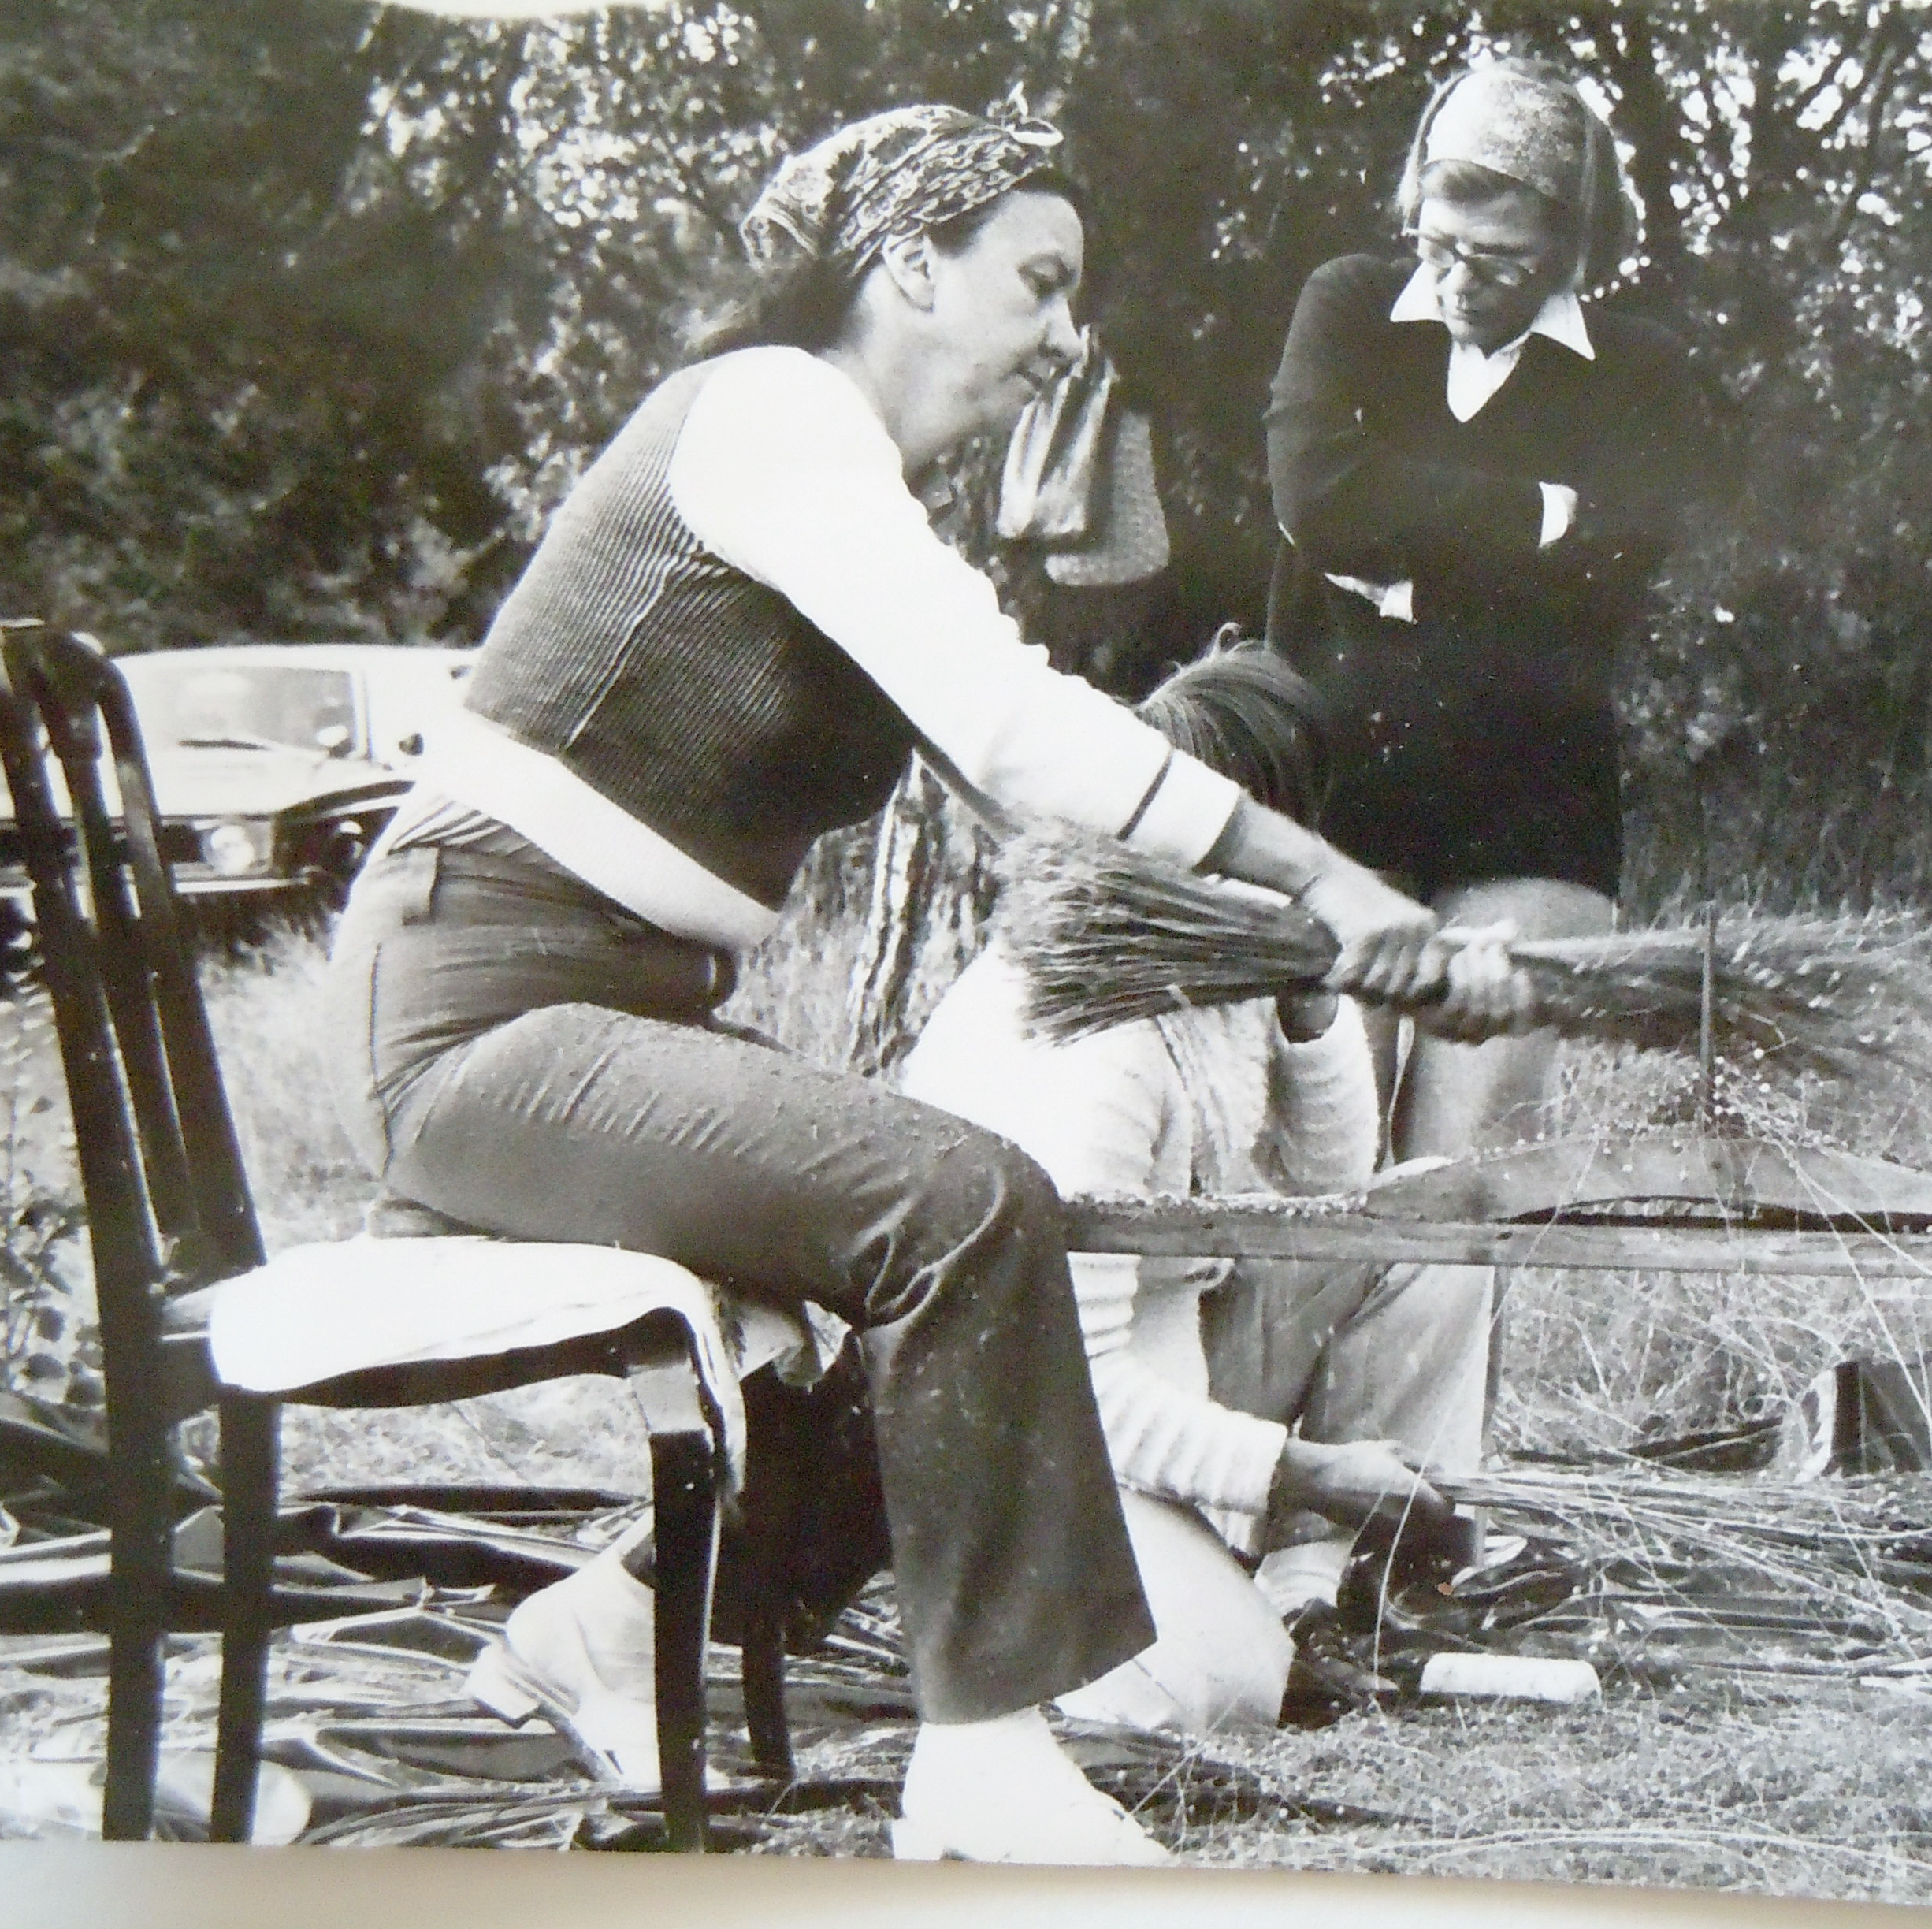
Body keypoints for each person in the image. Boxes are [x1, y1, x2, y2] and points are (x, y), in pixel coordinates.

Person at [318, 105, 1489, 1867]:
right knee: (963, 1205)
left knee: (929, 1289)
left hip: (597, 1016)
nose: (1067, 337)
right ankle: (984, 1759)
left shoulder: (852, 485)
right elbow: (1019, 737)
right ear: (909, 265)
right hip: (476, 1010)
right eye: (1039, 280)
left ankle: (615, 1628)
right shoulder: (771, 410)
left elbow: (1036, 769)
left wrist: (1299, 957)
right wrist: (1319, 873)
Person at [901, 642, 1484, 1734]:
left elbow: (1333, 1204)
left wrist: (1310, 1009)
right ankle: (1202, 1598)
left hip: (1173, 1366)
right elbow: (1069, 1386)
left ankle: (1307, 1594)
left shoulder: (1203, 958)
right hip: (1030, 1439)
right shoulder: (1100, 1042)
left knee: (1429, 1224)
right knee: (1213, 1691)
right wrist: (1305, 1470)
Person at [1265, 59, 1707, 1458]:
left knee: (1462, 1187)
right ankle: (1261, 1480)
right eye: (1441, 243)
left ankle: (1405, 1506)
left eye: (1502, 260)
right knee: (1319, 1168)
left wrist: (1401, 562)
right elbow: (1315, 500)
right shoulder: (1349, 305)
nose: (1459, 279)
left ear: (1571, 246)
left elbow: (1617, 571)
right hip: (1332, 796)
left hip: (1533, 808)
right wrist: (1537, 517)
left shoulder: (1643, 371)